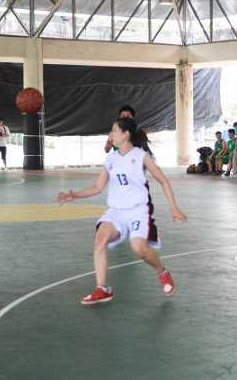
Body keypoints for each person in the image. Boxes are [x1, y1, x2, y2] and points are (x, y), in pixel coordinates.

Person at [57, 117, 187, 305]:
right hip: (116, 212)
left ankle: (162, 271)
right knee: (99, 240)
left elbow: (163, 180)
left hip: (138, 211)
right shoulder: (111, 159)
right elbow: (97, 187)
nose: (110, 134)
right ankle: (102, 289)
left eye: (114, 131)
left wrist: (173, 207)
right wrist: (74, 195)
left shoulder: (141, 155)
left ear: (125, 134)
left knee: (139, 249)